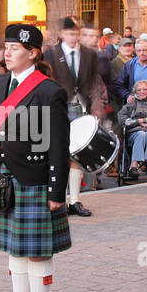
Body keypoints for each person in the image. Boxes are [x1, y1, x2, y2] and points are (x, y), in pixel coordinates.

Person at [0, 23, 71, 292]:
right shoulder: (1, 84)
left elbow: (59, 144)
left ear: (32, 53)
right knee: (14, 249)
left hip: (34, 181)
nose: (7, 52)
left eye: (14, 48)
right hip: (6, 179)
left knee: (36, 252)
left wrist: (56, 190)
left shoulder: (49, 91)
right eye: (6, 47)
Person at [45, 17, 105, 216]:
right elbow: (47, 83)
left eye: (76, 33)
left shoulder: (89, 55)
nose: (73, 37)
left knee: (77, 156)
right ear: (61, 34)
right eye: (69, 33)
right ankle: (58, 200)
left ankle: (75, 201)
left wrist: (97, 110)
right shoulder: (51, 54)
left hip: (81, 108)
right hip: (58, 108)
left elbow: (95, 84)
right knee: (58, 154)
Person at [117, 79, 147, 180]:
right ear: (135, 92)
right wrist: (139, 122)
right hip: (135, 131)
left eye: (144, 89)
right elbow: (121, 118)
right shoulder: (132, 102)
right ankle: (134, 165)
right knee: (141, 134)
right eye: (139, 90)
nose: (142, 92)